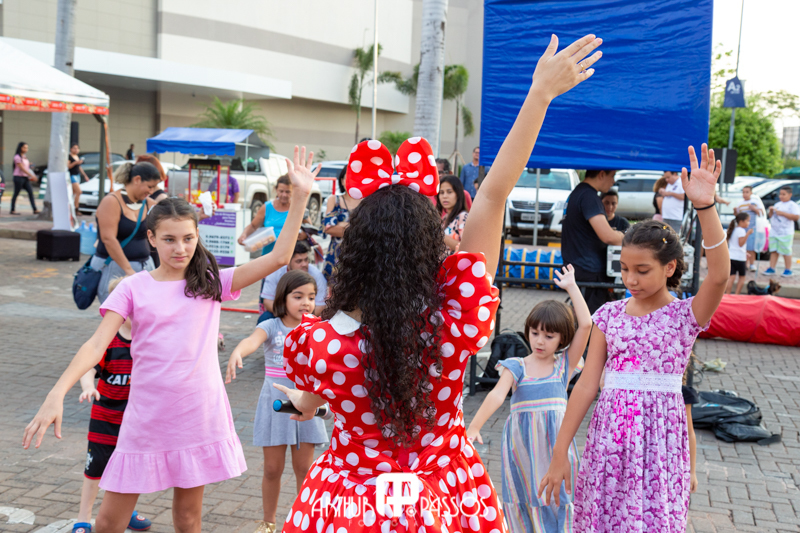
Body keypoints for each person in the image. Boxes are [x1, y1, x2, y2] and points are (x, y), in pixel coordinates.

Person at [273, 34, 603, 532]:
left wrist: (302, 403)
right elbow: (492, 196)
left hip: (349, 500)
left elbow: (313, 396)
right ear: (430, 242)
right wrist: (539, 96)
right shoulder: (454, 318)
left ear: (356, 249)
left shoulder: (319, 343)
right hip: (445, 497)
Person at [23, 146, 317, 533]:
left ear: (197, 236)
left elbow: (279, 257)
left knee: (188, 518)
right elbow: (95, 345)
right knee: (108, 522)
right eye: (169, 239)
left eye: (188, 238)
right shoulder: (133, 288)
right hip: (145, 417)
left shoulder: (211, 283)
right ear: (151, 238)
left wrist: (300, 196)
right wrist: (56, 392)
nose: (180, 248)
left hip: (197, 414)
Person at [538, 144, 730, 533]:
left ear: (670, 267)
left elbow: (719, 276)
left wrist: (705, 207)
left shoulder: (685, 316)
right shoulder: (609, 315)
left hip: (661, 448)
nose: (630, 279)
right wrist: (560, 451)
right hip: (608, 444)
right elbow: (586, 385)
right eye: (625, 269)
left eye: (642, 270)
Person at [466, 265, 591, 532]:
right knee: (524, 495)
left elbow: (586, 325)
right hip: (523, 448)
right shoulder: (516, 365)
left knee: (561, 495)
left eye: (549, 336)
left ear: (562, 338)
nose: (540, 341)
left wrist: (572, 287)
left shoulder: (564, 366)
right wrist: (474, 426)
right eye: (535, 333)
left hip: (557, 447)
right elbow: (497, 395)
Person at [226, 270, 328, 533]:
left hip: (307, 404)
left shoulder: (318, 329)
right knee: (272, 469)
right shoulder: (271, 326)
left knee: (304, 469)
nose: (306, 303)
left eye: (311, 297)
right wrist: (238, 351)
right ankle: (268, 522)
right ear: (283, 298)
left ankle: (303, 523)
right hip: (276, 406)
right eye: (298, 296)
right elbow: (252, 341)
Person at [72, 277, 151, 533]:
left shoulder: (149, 341)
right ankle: (83, 518)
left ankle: (125, 512)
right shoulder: (109, 341)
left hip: (136, 423)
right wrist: (88, 386)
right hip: (105, 419)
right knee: (95, 470)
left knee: (131, 470)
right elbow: (88, 367)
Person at [91, 162, 161, 303]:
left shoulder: (150, 204)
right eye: (150, 186)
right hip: (115, 268)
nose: (152, 191)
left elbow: (166, 228)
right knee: (117, 311)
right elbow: (108, 239)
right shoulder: (111, 201)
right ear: (137, 180)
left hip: (144, 266)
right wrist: (128, 270)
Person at [561, 169, 623, 314]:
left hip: (577, 266)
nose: (613, 181)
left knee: (581, 317)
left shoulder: (577, 193)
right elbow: (607, 236)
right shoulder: (589, 196)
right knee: (591, 320)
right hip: (589, 271)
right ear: (601, 174)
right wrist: (627, 236)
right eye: (612, 176)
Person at [239, 174, 309, 255]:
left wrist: (305, 235)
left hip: (290, 256)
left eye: (287, 192)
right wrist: (244, 234)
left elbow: (310, 228)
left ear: (293, 191)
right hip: (269, 255)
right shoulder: (267, 207)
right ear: (276, 190)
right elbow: (253, 226)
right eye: (281, 191)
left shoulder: (297, 208)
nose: (284, 195)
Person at [259, 241, 327, 322]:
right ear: (288, 262)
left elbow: (320, 307)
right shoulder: (275, 272)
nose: (304, 264)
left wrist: (301, 318)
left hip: (308, 317)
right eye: (299, 261)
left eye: (306, 260)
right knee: (265, 317)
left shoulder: (317, 275)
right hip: (282, 314)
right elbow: (268, 302)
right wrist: (290, 316)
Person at [322, 167, 361, 281]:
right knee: (333, 288)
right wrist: (355, 228)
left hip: (360, 254)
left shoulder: (367, 202)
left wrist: (341, 225)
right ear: (342, 180)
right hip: (335, 255)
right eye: (347, 178)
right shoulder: (334, 200)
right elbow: (328, 228)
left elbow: (368, 231)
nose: (351, 181)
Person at [765, 186, 800, 277]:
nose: (781, 196)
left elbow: (796, 217)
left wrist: (783, 213)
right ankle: (772, 268)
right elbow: (771, 216)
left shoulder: (793, 205)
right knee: (774, 250)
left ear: (790, 195)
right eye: (780, 194)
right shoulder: (777, 204)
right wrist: (771, 211)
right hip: (774, 231)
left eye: (784, 194)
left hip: (785, 232)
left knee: (786, 251)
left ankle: (788, 269)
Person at [732, 185, 764, 272]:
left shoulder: (755, 202)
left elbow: (761, 213)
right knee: (743, 247)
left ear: (751, 193)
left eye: (747, 192)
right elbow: (738, 216)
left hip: (752, 228)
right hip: (743, 229)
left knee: (751, 247)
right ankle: (745, 264)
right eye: (743, 192)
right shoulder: (740, 203)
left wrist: (754, 209)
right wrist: (735, 211)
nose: (745, 194)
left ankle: (752, 264)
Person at [437, 175, 469, 254]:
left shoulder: (463, 217)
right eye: (441, 192)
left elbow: (466, 248)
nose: (444, 196)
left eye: (449, 192)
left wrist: (440, 234)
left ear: (458, 194)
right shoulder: (445, 218)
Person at [727, 213, 753, 295]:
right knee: (742, 277)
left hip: (732, 256)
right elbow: (740, 244)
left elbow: (735, 245)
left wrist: (745, 252)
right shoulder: (741, 231)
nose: (748, 223)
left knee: (731, 276)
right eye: (747, 221)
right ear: (741, 221)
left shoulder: (733, 229)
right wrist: (748, 234)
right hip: (740, 258)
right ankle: (736, 294)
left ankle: (727, 294)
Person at [10, 141, 39, 215]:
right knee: (16, 193)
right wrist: (32, 175)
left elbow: (25, 167)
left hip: (25, 178)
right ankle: (12, 210)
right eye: (24, 147)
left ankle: (35, 209)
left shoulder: (24, 157)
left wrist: (29, 165)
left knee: (30, 192)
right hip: (18, 178)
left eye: (27, 148)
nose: (26, 149)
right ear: (20, 148)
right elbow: (22, 168)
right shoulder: (17, 157)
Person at [68, 143, 90, 210]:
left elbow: (79, 167)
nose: (76, 150)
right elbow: (68, 166)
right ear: (71, 149)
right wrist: (75, 163)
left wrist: (85, 175)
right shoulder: (69, 157)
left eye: (77, 148)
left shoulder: (77, 156)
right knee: (79, 191)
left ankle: (72, 207)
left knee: (74, 192)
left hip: (77, 175)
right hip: (72, 175)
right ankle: (76, 208)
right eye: (74, 148)